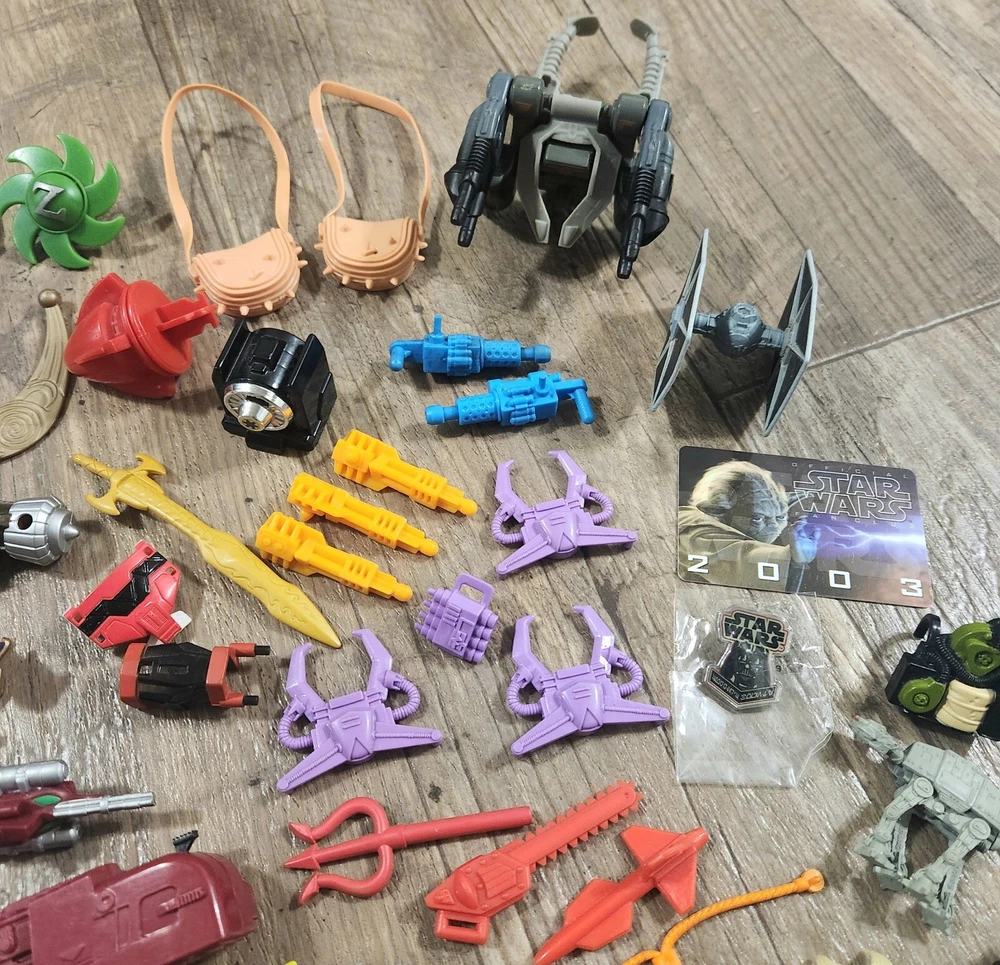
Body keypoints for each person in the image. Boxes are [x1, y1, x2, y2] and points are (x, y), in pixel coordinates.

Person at [678, 460, 820, 591]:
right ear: (717, 511)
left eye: (780, 517)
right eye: (757, 518)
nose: (774, 527)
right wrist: (792, 558)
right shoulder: (691, 528)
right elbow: (738, 559)